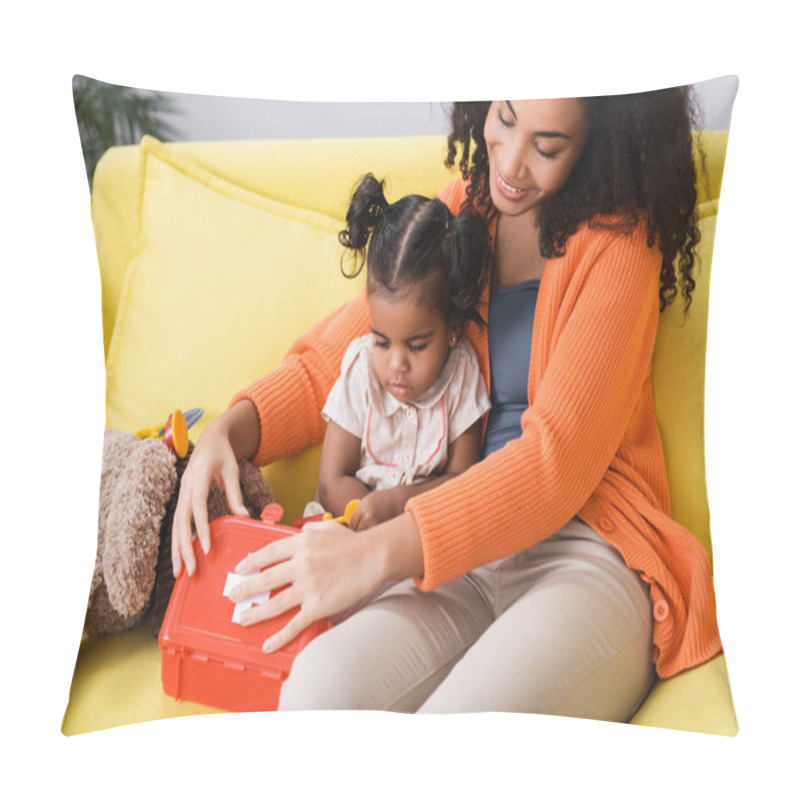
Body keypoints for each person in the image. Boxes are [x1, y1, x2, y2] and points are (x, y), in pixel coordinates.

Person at [171, 89, 723, 720]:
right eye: (505, 119)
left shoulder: (621, 246)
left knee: (454, 734)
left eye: (547, 146)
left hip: (587, 550)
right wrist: (227, 434)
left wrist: (375, 553)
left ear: (599, 143)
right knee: (315, 695)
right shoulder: (468, 207)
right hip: (458, 556)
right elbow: (351, 354)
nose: (511, 163)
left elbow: (555, 466)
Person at [304, 172, 492, 533]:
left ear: (452, 329)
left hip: (420, 537)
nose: (396, 365)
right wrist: (366, 512)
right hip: (345, 527)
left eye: (417, 346)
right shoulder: (361, 369)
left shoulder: (462, 375)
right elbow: (331, 481)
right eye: (381, 341)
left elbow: (464, 480)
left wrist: (395, 507)